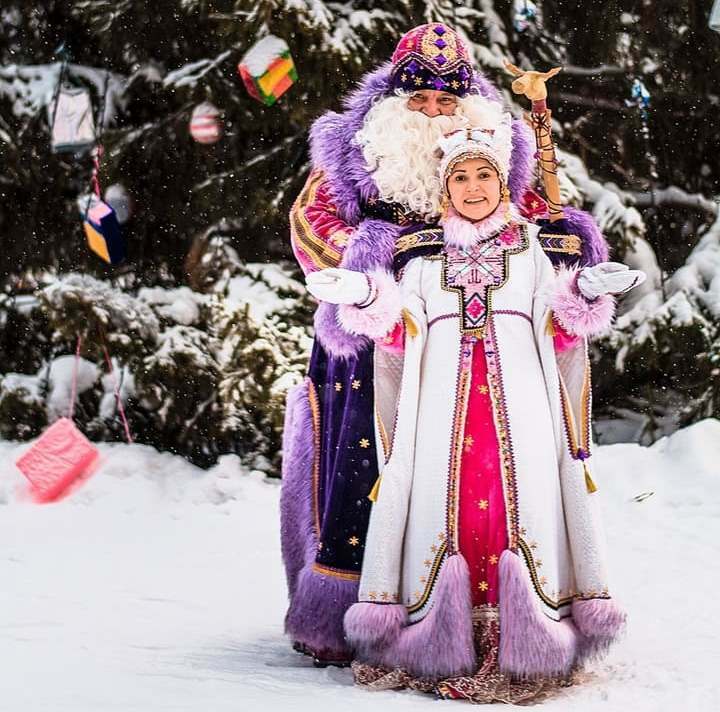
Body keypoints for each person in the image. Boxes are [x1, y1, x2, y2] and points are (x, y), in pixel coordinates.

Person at [281, 22, 607, 667]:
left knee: (460, 473)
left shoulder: (490, 159)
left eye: (446, 100)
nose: (433, 111)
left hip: (474, 340)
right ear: (392, 101)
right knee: (363, 470)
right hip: (374, 342)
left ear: (469, 104)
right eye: (420, 99)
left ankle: (463, 612)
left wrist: (571, 242)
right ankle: (344, 617)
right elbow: (308, 226)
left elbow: (533, 219)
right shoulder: (351, 154)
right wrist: (375, 268)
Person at [305, 119, 644, 701]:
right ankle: (442, 639)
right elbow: (395, 333)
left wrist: (584, 293)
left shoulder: (536, 253)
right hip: (440, 420)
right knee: (449, 512)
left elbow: (562, 331)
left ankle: (527, 639)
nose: (473, 186)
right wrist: (363, 297)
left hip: (523, 418)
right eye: (459, 176)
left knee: (520, 511)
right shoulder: (420, 260)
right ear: (444, 189)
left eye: (484, 174)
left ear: (501, 184)